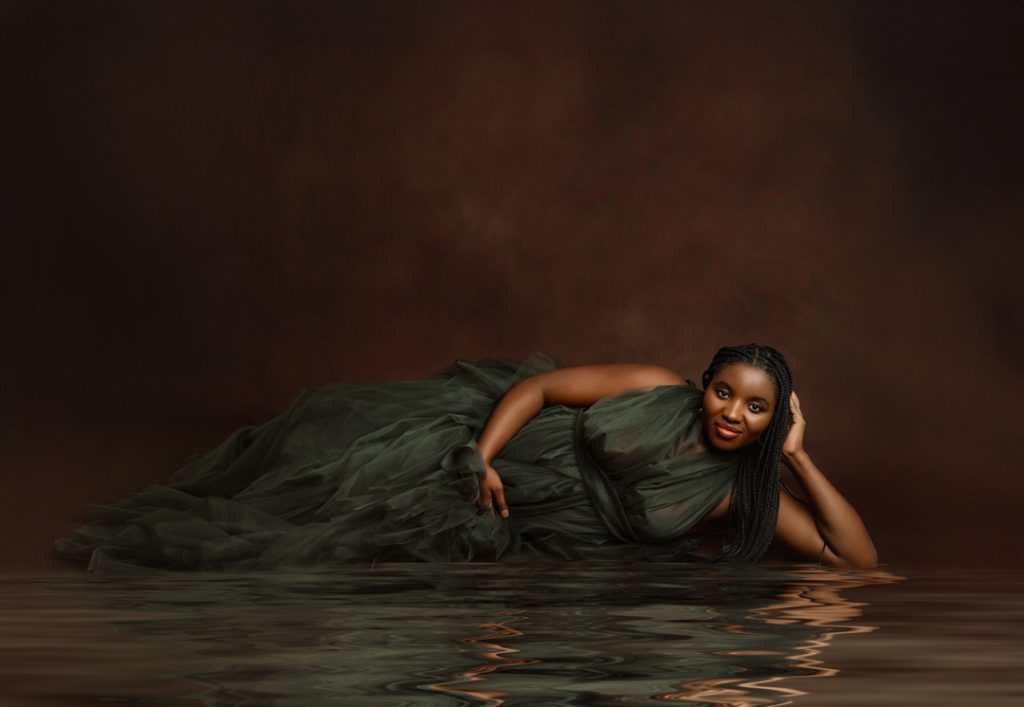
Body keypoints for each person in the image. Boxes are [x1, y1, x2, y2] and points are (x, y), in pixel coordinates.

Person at [54, 344, 877, 572]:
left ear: (776, 419)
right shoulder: (653, 385)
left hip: (528, 521)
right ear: (702, 385)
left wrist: (799, 459)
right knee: (329, 455)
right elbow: (546, 391)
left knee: (341, 551)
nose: (735, 412)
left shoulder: (735, 494)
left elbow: (858, 561)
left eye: (758, 407)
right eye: (726, 392)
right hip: (499, 447)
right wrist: (478, 455)